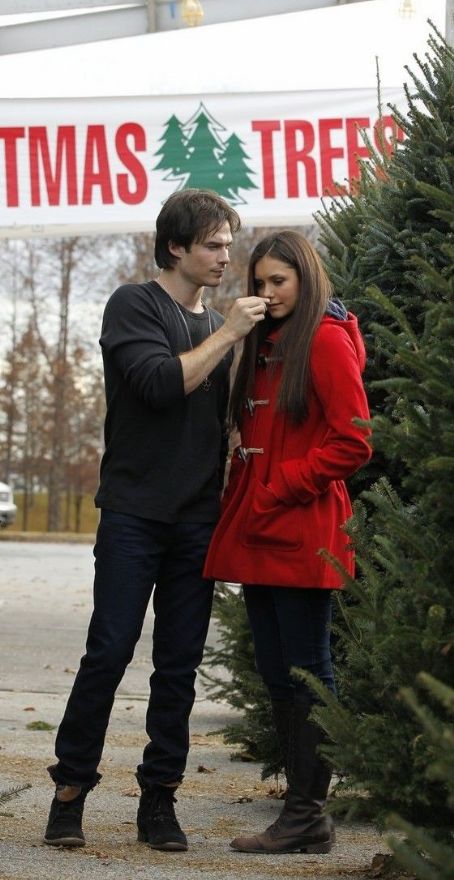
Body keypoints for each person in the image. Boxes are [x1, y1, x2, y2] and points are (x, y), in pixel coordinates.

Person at [43, 189, 270, 853]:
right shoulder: (134, 305)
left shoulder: (215, 325)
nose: (226, 256)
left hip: (198, 517)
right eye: (213, 245)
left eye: (229, 244)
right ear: (176, 246)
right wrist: (230, 333)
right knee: (110, 651)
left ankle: (159, 802)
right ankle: (69, 791)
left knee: (179, 666)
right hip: (135, 516)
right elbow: (159, 385)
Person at [204, 229, 371, 855]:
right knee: (278, 673)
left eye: (280, 281)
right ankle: (303, 815)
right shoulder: (264, 340)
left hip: (301, 526)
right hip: (260, 528)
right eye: (261, 282)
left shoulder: (324, 340)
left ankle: (307, 815)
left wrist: (279, 487)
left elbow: (354, 440)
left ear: (305, 278)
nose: (268, 292)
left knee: (306, 673)